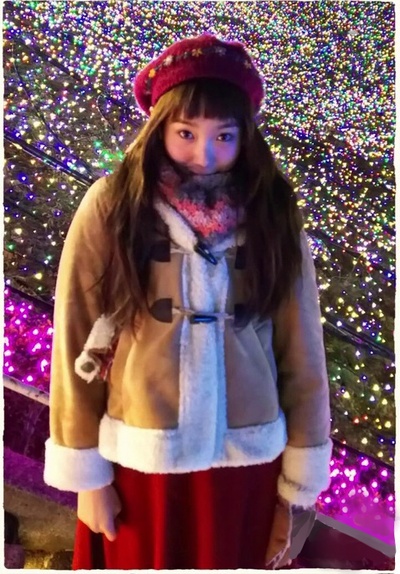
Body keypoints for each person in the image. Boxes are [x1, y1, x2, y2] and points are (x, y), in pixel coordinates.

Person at [44, 33, 332, 570]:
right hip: (140, 459)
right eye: (186, 133)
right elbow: (74, 338)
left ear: (246, 135)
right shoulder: (113, 205)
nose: (206, 154)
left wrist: (299, 482)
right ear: (159, 128)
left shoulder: (272, 213)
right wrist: (86, 477)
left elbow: (303, 349)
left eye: (225, 135)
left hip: (247, 463)